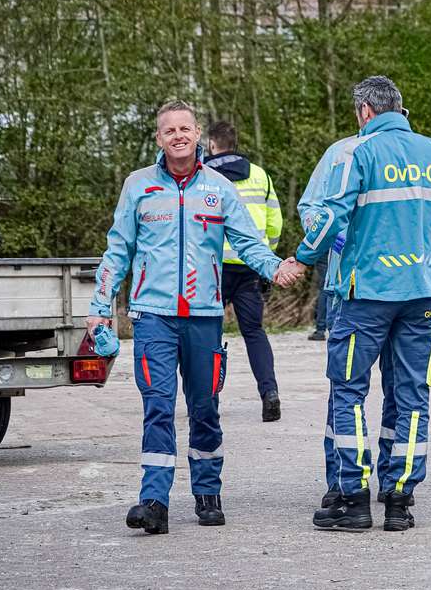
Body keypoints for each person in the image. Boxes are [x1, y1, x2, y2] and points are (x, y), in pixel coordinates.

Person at [85, 100, 302, 535]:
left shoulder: (220, 188)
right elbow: (117, 250)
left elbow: (248, 241)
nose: (179, 136)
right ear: (159, 138)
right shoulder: (138, 186)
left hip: (204, 315)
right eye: (170, 130)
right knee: (158, 408)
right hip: (153, 317)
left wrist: (274, 267)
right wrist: (100, 308)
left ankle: (207, 493)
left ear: (198, 133)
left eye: (185, 128)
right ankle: (154, 501)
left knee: (204, 409)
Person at [285, 75, 431, 533]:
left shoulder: (358, 152)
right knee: (412, 397)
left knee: (347, 393)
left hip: (365, 291)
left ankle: (352, 497)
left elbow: (326, 216)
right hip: (422, 293)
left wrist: (304, 256)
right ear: (399, 108)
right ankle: (399, 500)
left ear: (364, 111)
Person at [204, 121, 284, 423]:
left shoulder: (202, 175)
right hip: (250, 267)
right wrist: (267, 256)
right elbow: (275, 222)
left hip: (213, 268)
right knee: (254, 332)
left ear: (212, 144)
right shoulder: (259, 175)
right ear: (235, 143)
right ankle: (270, 393)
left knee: (208, 334)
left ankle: (207, 398)